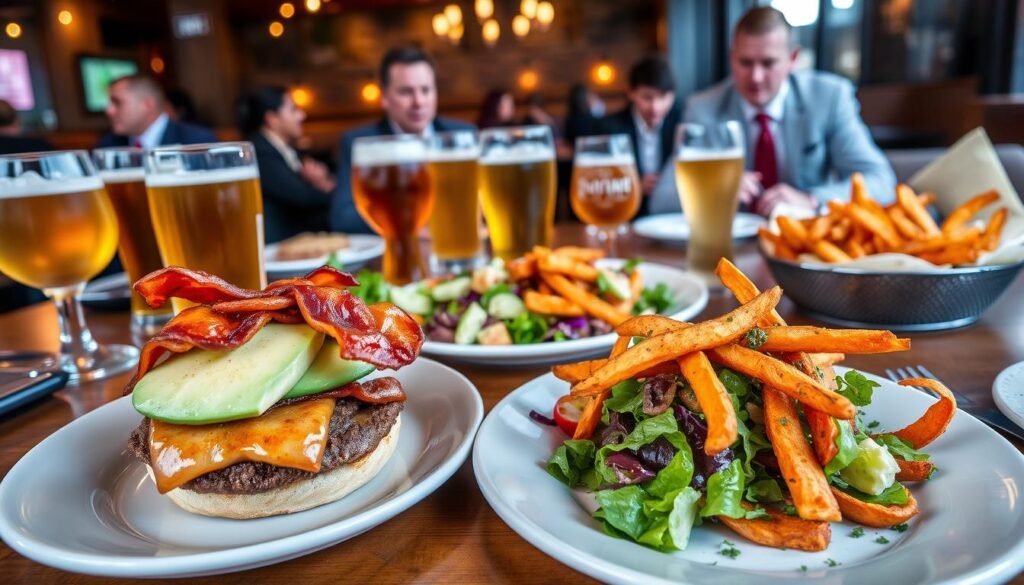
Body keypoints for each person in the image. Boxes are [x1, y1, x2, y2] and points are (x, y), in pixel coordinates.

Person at [651, 6, 895, 217]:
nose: (756, 77)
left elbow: (881, 181)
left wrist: (811, 200)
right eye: (745, 63)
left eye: (768, 63)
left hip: (804, 244)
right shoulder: (702, 107)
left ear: (792, 58)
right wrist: (714, 189)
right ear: (731, 58)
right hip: (732, 245)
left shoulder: (829, 98)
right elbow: (661, 201)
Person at [330, 47, 475, 234]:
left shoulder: (463, 135)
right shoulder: (359, 143)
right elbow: (343, 217)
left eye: (426, 90)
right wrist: (412, 220)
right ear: (384, 97)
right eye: (406, 92)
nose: (419, 102)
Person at [237, 86, 335, 243]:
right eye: (293, 109)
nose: (302, 115)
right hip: (279, 248)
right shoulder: (260, 153)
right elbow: (302, 198)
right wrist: (328, 187)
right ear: (272, 119)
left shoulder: (286, 149)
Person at [598, 56, 682, 217]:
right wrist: (633, 186)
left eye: (663, 97)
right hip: (626, 215)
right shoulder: (610, 127)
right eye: (647, 97)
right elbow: (601, 182)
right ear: (631, 92)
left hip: (672, 216)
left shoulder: (682, 122)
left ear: (672, 95)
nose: (655, 107)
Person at [97, 74, 216, 148]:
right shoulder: (108, 144)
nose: (109, 110)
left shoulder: (196, 142)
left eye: (117, 102)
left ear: (147, 104)